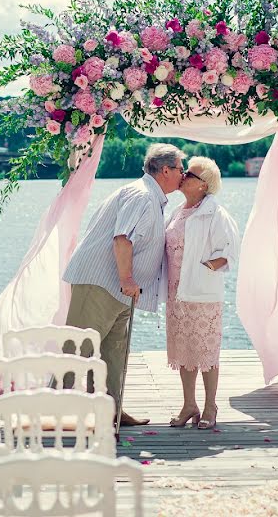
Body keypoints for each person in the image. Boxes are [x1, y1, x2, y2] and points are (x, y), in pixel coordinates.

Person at [63, 143, 186, 426]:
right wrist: (127, 278)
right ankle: (54, 408)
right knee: (78, 348)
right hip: (102, 283)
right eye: (180, 168)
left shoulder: (151, 198)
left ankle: (111, 411)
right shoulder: (141, 196)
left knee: (113, 351)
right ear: (165, 170)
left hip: (119, 290)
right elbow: (122, 239)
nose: (183, 174)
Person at [165, 156, 239, 430]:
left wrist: (204, 268)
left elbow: (229, 249)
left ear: (204, 186)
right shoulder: (177, 211)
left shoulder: (215, 213)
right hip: (177, 293)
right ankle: (189, 405)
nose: (183, 175)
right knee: (184, 350)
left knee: (206, 351)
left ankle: (210, 406)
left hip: (202, 292)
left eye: (191, 175)